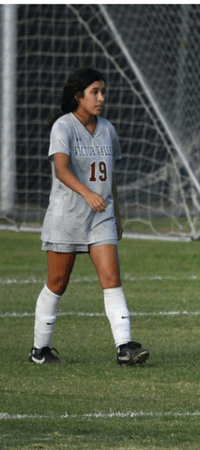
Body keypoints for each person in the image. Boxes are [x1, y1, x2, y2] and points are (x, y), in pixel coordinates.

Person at [29, 68, 150, 366]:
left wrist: (117, 215)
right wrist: (87, 193)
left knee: (112, 278)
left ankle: (124, 347)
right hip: (66, 217)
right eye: (95, 92)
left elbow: (110, 178)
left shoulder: (107, 129)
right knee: (57, 281)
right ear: (78, 96)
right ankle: (39, 351)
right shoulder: (63, 126)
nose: (101, 98)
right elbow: (61, 169)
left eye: (102, 91)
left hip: (101, 217)